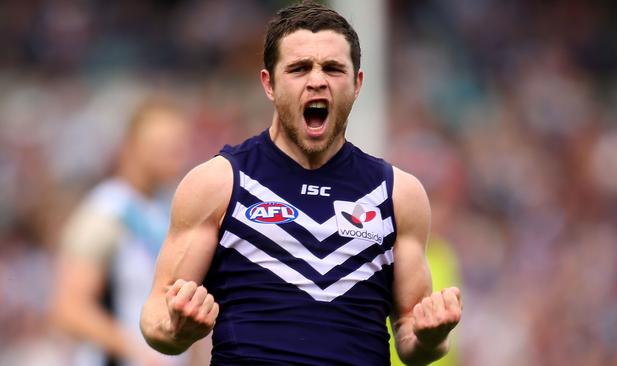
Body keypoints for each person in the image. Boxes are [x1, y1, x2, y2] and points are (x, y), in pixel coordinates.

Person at [140, 2, 463, 365]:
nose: (317, 80)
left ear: (357, 85)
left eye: (333, 68)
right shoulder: (218, 183)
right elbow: (155, 316)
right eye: (298, 68)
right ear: (269, 84)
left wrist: (431, 337)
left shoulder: (398, 194)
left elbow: (411, 338)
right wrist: (177, 329)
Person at [51, 98, 207, 366]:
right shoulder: (106, 212)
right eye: (165, 145)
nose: (177, 154)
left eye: (180, 144)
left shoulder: (172, 209)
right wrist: (138, 352)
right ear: (131, 148)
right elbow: (69, 308)